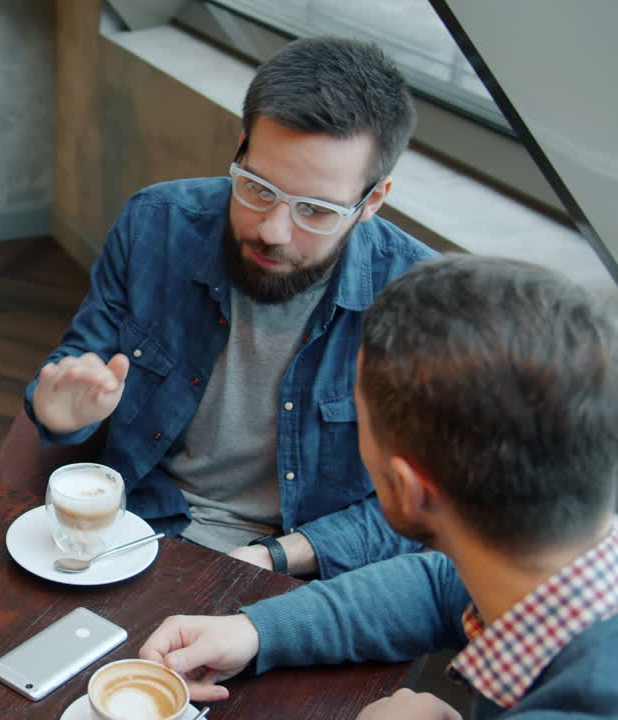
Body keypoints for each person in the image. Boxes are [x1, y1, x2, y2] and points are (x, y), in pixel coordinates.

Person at [23, 36, 437, 578]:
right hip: (145, 532)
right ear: (242, 145)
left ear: (371, 202)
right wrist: (61, 414)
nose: (273, 229)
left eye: (314, 210)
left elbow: (421, 506)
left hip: (305, 570)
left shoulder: (419, 301)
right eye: (258, 188)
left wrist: (276, 556)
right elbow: (78, 366)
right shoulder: (157, 224)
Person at [139, 255, 618, 718]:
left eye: (361, 422)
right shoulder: (544, 572)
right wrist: (257, 631)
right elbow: (440, 586)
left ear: (412, 489)